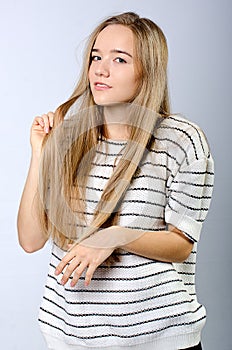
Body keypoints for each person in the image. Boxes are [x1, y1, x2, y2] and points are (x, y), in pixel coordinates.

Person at [17, 12, 214, 350]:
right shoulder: (71, 139)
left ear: (146, 71)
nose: (100, 69)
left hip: (160, 338)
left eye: (119, 59)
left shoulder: (180, 140)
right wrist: (40, 155)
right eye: (96, 56)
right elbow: (31, 239)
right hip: (70, 338)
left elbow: (182, 245)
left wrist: (116, 235)